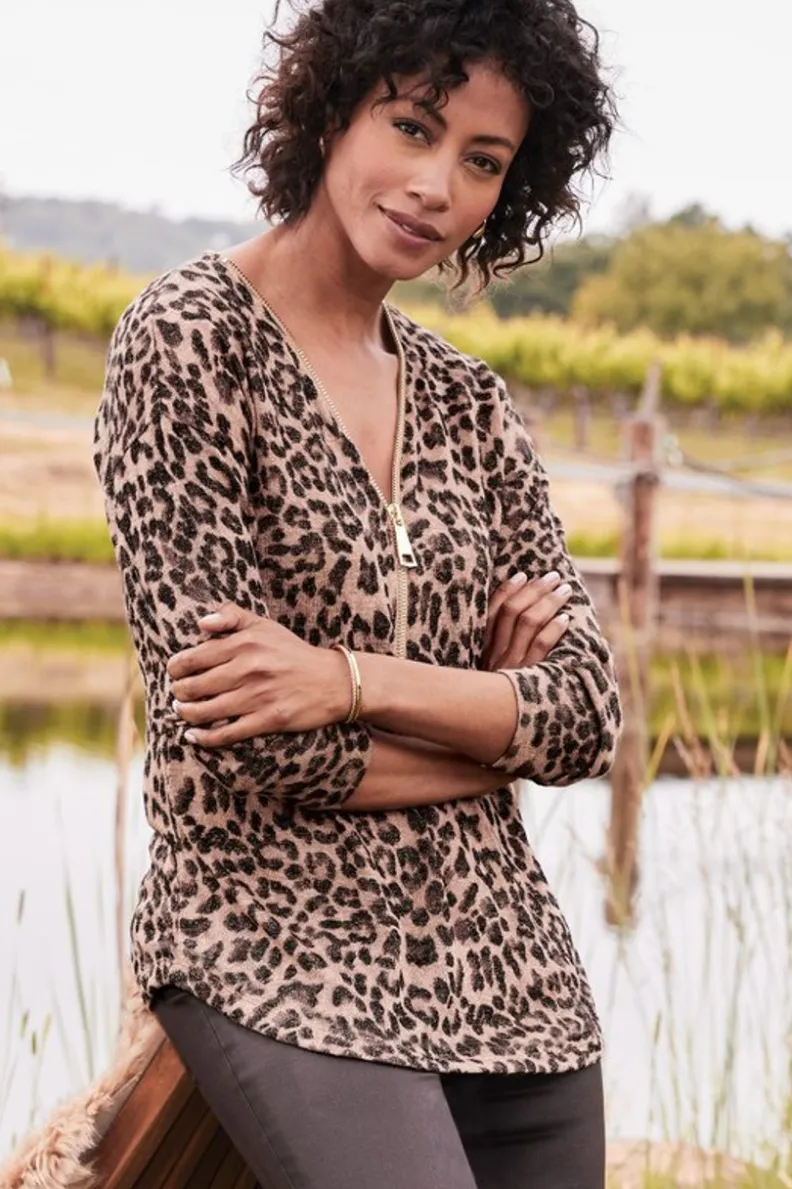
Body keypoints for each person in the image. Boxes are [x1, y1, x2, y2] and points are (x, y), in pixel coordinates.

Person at [93, 0, 622, 1185]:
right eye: (413, 127)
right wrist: (490, 729)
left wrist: (344, 681)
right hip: (273, 942)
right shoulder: (190, 342)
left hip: (508, 962)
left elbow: (586, 714)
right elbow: (246, 745)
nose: (437, 184)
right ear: (333, 108)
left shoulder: (470, 404)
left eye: (482, 160)